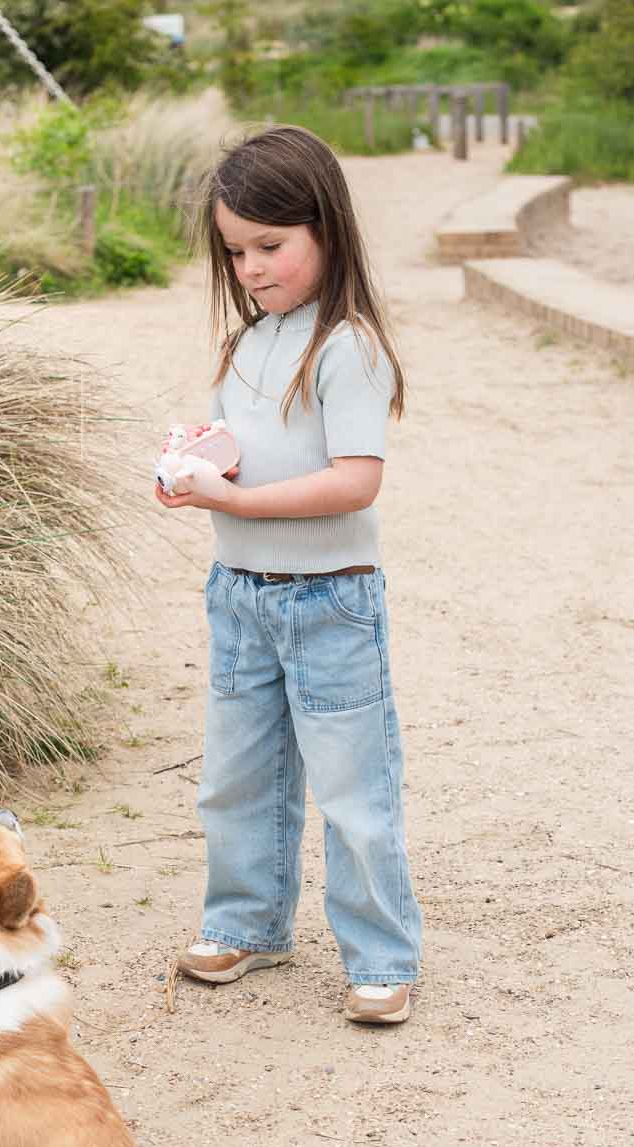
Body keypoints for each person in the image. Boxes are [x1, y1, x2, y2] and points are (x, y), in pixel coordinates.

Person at [155, 125, 422, 1026]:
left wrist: (230, 503)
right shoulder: (247, 345)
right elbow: (250, 455)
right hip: (240, 597)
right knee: (236, 775)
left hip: (328, 601)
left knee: (353, 786)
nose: (252, 268)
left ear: (326, 231)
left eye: (270, 246)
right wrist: (197, 463)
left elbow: (355, 481)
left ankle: (381, 955)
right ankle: (246, 922)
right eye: (235, 252)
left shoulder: (346, 346)